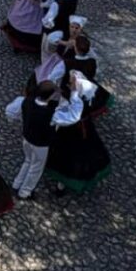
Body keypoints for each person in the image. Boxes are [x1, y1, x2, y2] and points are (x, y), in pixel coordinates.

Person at [5, 79, 84, 199]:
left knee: (28, 160)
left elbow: (12, 112)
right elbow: (73, 116)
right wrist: (74, 94)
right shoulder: (51, 114)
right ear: (50, 96)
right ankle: (24, 192)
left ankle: (16, 184)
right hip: (40, 144)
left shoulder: (27, 101)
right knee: (36, 168)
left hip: (27, 138)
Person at [44, 67, 112, 196]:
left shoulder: (73, 99)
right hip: (83, 128)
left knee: (67, 156)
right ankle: (68, 183)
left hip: (71, 130)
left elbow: (68, 115)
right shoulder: (87, 96)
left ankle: (62, 185)